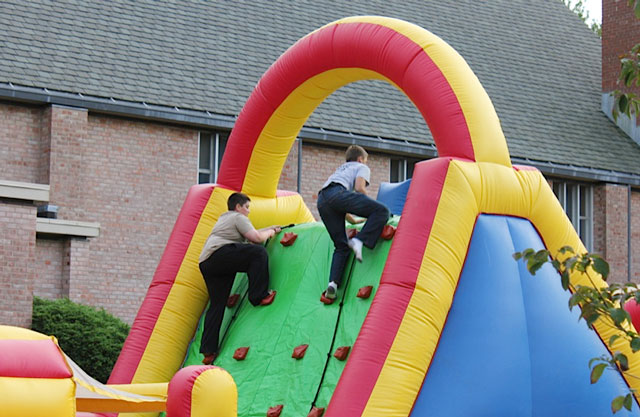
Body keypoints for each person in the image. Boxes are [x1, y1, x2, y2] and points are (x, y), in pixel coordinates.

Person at [198, 192, 281, 364]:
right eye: (247, 207)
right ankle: (258, 295)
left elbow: (251, 235)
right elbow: (256, 239)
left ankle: (208, 351)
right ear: (238, 207)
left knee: (217, 304)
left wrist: (268, 229)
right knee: (258, 253)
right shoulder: (238, 217)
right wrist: (272, 231)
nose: (248, 211)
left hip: (207, 262)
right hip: (220, 255)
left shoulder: (224, 219)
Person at [317, 145, 390, 300]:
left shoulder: (340, 170)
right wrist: (374, 205)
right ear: (360, 159)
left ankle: (333, 284)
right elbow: (359, 188)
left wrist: (355, 220)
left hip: (322, 200)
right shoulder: (361, 166)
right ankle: (359, 241)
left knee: (341, 246)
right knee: (382, 211)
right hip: (337, 196)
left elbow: (336, 203)